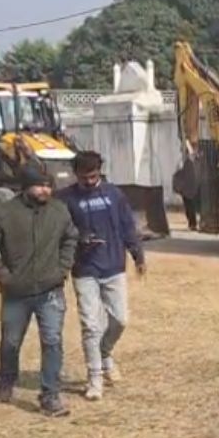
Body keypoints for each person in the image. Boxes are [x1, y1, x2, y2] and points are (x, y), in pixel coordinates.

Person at [0, 164, 78, 417]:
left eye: (48, 186)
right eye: (39, 186)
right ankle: (7, 379)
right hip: (16, 293)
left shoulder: (59, 210)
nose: (45, 190)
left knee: (52, 341)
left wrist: (62, 268)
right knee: (10, 342)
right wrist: (2, 276)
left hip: (50, 290)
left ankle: (50, 395)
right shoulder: (4, 212)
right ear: (25, 187)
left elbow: (70, 238)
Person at [56, 150, 147, 401]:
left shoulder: (114, 195)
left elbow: (128, 226)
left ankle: (105, 352)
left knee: (121, 319)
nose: (89, 181)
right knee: (90, 325)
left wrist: (138, 255)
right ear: (76, 174)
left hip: (114, 266)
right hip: (84, 270)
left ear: (100, 172)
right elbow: (58, 231)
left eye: (93, 176)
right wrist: (78, 238)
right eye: (84, 177)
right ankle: (94, 377)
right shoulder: (64, 199)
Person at [173, 141, 201, 231]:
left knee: (190, 206)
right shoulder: (184, 161)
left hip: (189, 187)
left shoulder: (189, 160)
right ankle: (192, 223)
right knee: (189, 206)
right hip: (188, 187)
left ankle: (193, 223)